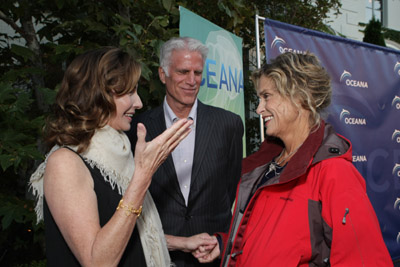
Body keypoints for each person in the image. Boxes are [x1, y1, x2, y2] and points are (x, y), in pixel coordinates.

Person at [193, 52, 393, 266]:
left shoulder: (333, 172)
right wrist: (227, 246)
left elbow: (365, 260)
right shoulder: (266, 165)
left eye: (267, 96)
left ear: (299, 97)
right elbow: (271, 239)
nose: (259, 109)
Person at [29, 47, 216, 267]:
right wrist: (142, 177)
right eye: (129, 93)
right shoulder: (65, 162)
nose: (139, 103)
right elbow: (98, 260)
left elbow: (131, 235)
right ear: (97, 95)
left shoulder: (119, 153)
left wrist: (182, 243)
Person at [127, 37, 244, 266]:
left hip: (211, 254)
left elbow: (232, 187)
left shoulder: (228, 124)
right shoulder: (137, 128)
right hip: (157, 255)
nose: (192, 81)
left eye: (197, 73)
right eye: (182, 71)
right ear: (163, 74)